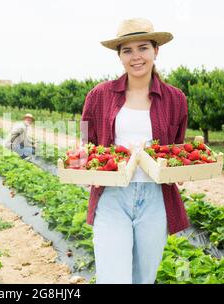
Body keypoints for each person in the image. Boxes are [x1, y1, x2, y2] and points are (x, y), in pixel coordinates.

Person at [81, 18, 189, 284]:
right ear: (119, 56)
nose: (136, 56)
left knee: (144, 278)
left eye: (143, 48)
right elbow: (86, 142)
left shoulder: (176, 99)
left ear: (156, 51)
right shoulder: (100, 95)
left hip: (155, 198)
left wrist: (181, 168)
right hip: (112, 196)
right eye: (127, 50)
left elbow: (177, 150)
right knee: (113, 278)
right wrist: (87, 163)